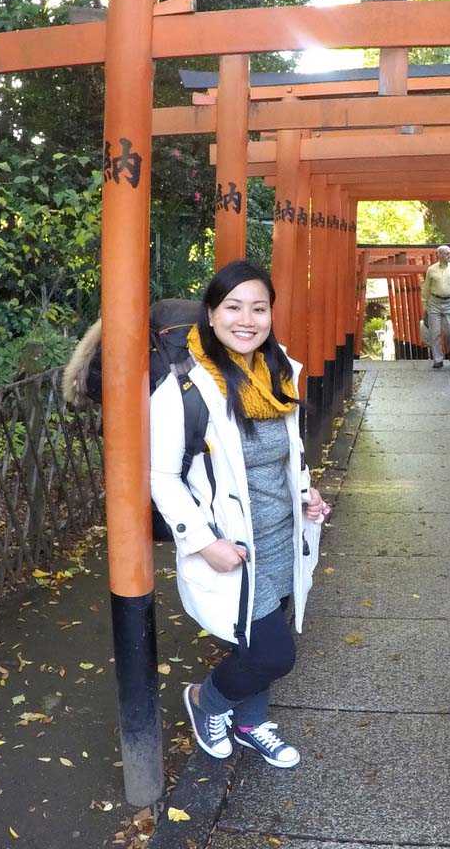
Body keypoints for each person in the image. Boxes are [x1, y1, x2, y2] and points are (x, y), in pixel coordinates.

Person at [150, 259, 327, 766]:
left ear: (271, 313)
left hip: (284, 534)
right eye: (233, 307)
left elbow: (288, 452)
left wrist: (306, 494)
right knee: (274, 653)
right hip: (234, 543)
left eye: (259, 308)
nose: (246, 319)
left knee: (259, 647)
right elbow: (160, 475)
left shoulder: (279, 371)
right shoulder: (185, 385)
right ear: (211, 312)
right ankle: (205, 701)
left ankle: (250, 722)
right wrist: (203, 543)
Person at [421, 244, 450, 369]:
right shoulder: (431, 270)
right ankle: (438, 359)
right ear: (439, 255)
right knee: (435, 333)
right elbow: (426, 289)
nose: (449, 256)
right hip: (434, 302)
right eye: (447, 254)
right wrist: (425, 306)